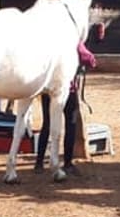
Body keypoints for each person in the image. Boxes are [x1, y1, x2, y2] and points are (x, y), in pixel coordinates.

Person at [34, 39, 97, 178]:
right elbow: (89, 59)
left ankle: (39, 162)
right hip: (67, 89)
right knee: (71, 123)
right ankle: (67, 163)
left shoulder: (49, 41)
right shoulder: (72, 38)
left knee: (47, 123)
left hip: (47, 88)